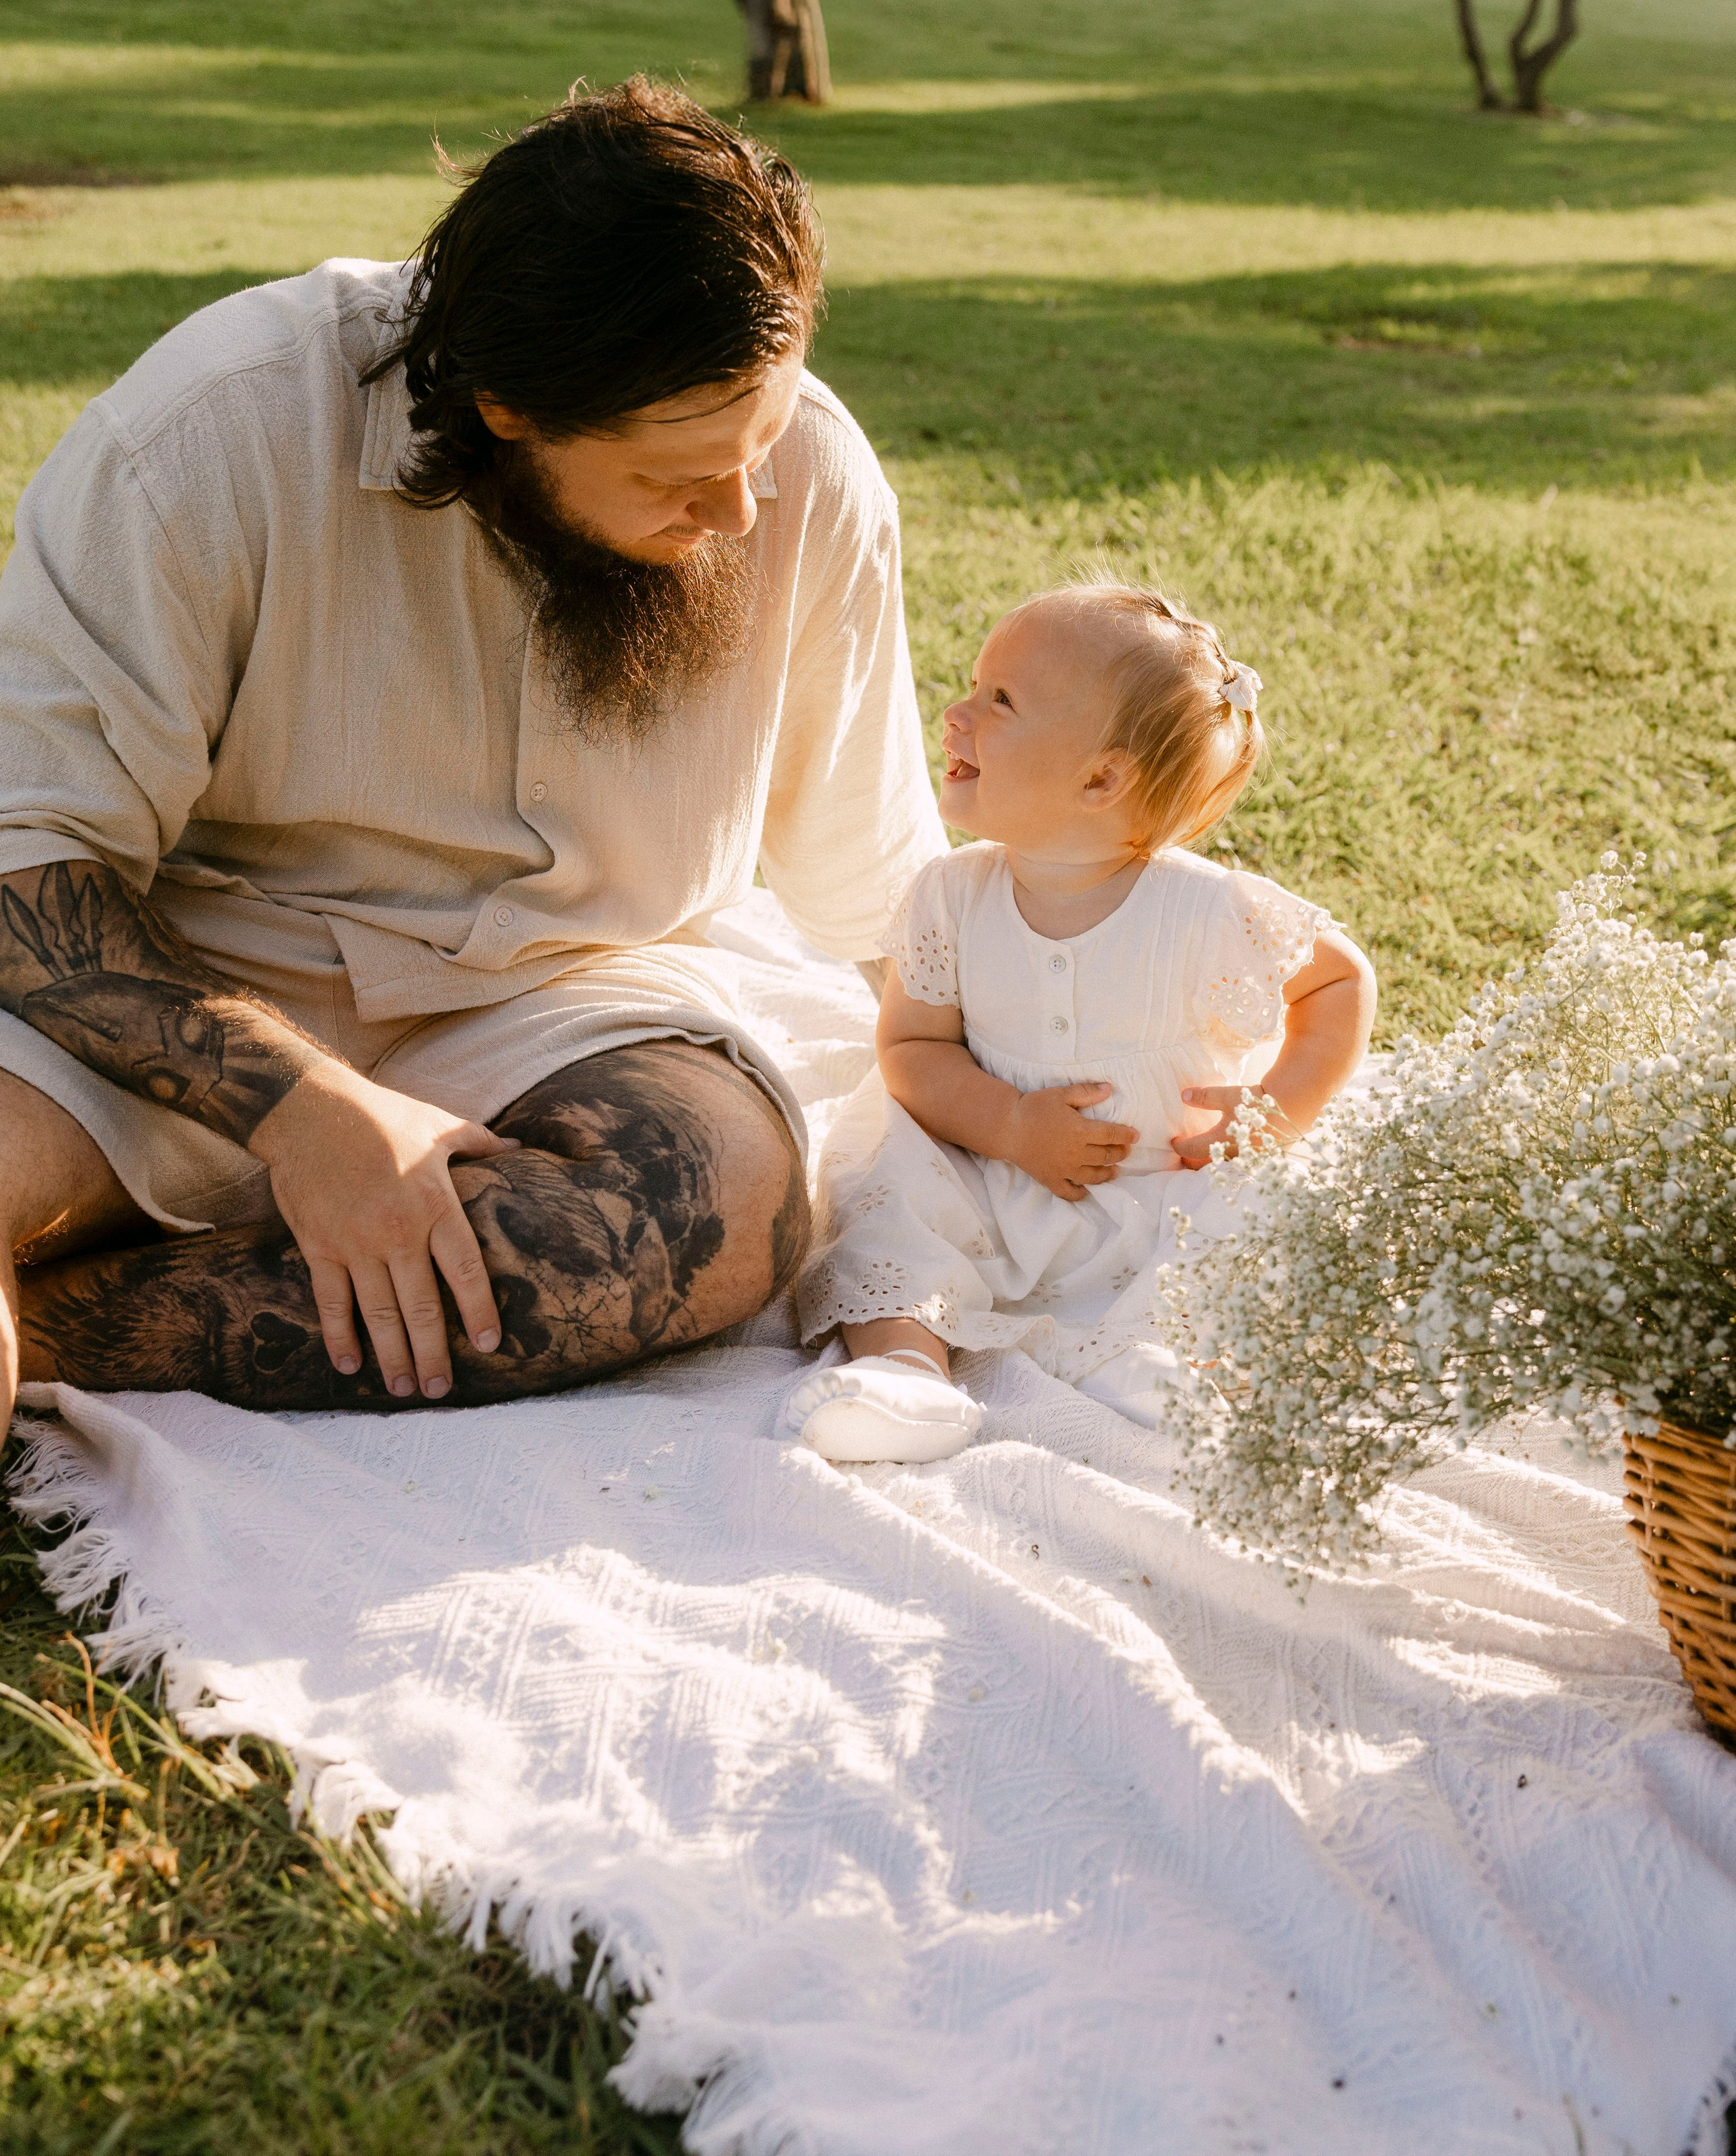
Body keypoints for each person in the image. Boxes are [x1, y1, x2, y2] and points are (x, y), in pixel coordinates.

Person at [0, 77, 945, 1438]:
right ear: (505, 408)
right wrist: (310, 1117)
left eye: (760, 447)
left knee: (709, 1211)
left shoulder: (804, 474)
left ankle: (47, 1332)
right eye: (679, 480)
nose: (741, 510)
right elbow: (28, 860)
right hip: (188, 977)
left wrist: (1041, 1073)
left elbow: (878, 888)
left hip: (566, 998)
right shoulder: (211, 435)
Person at [783, 579, 1376, 1465]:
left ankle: (1169, 1358)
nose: (956, 715)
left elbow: (1339, 986)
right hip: (987, 1169)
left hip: (1159, 1173)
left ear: (1100, 778)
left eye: (1000, 701)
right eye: (974, 687)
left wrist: (1271, 1114)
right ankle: (906, 1371)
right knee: (884, 1179)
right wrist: (1008, 1122)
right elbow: (909, 1047)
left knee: (1248, 1218)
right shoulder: (949, 897)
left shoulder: (1204, 912)